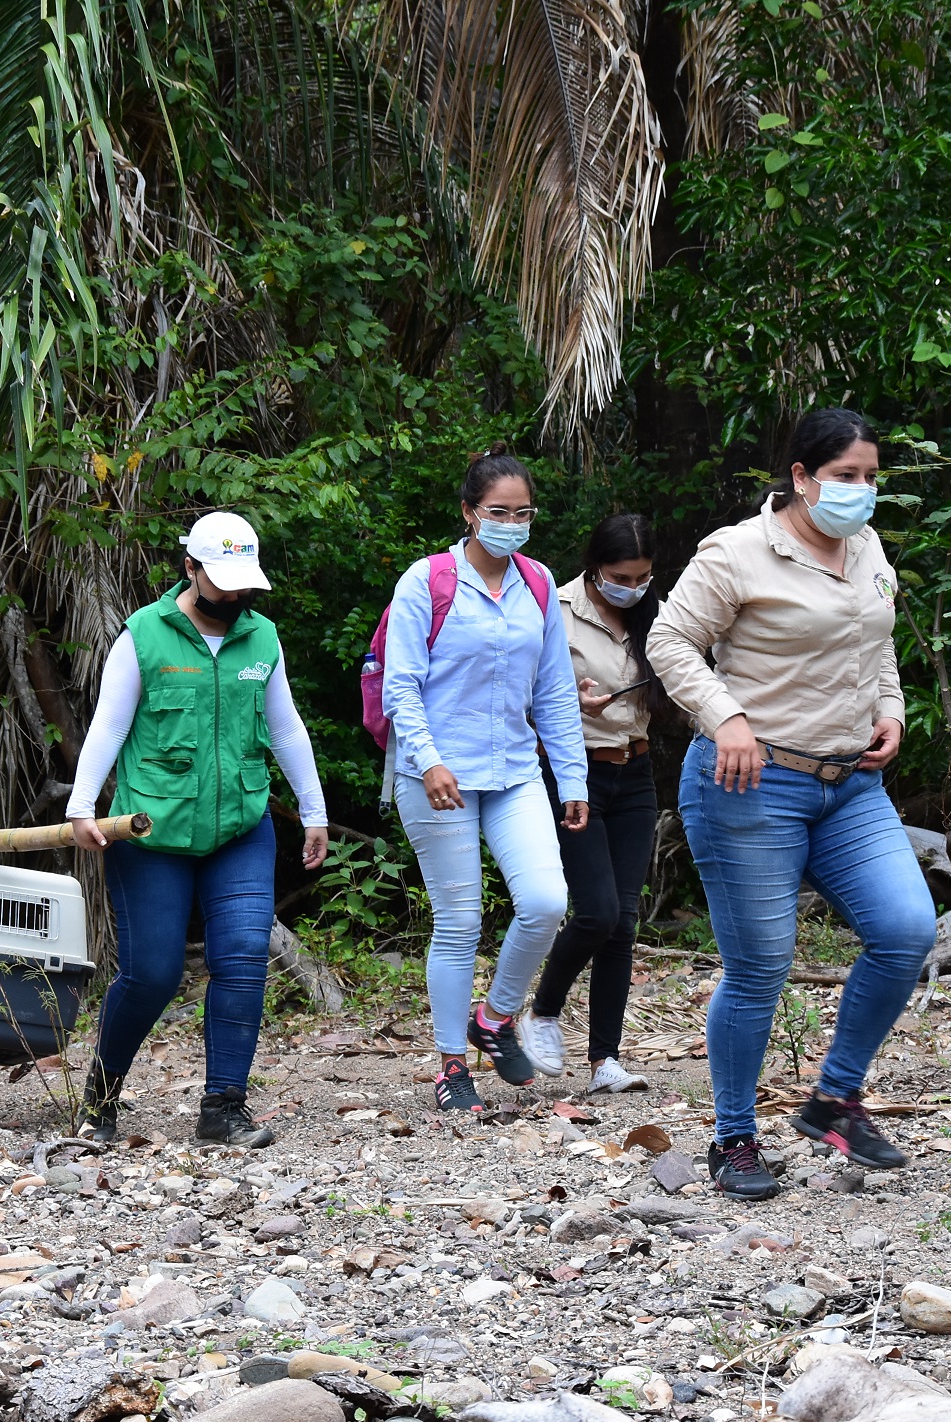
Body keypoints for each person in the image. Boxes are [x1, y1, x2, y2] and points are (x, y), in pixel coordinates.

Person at [647, 408, 935, 1200]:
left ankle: (835, 1099)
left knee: (907, 929)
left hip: (850, 782)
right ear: (802, 478)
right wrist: (725, 718)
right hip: (750, 782)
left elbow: (876, 645)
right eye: (845, 477)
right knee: (761, 966)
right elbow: (669, 643)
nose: (861, 491)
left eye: (871, 477)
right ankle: (733, 1139)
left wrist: (893, 711)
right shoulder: (738, 551)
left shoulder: (867, 546)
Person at [68, 512, 330, 1148]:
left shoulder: (262, 639)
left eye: (246, 585)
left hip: (241, 827)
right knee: (151, 974)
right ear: (190, 568)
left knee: (242, 960)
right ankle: (99, 1101)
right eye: (224, 582)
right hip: (151, 834)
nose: (237, 597)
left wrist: (314, 808)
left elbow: (287, 727)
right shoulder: (142, 638)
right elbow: (109, 728)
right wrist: (81, 807)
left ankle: (224, 1108)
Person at [381, 450, 589, 1115]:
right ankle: (450, 1065)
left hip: (514, 771)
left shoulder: (538, 583)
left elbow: (555, 689)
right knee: (460, 920)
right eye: (497, 512)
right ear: (469, 513)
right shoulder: (427, 580)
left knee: (547, 902)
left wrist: (573, 776)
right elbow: (401, 686)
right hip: (436, 772)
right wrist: (430, 758)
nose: (510, 523)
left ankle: (494, 1019)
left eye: (522, 513)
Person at [526, 514, 664, 1094]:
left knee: (624, 922)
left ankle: (605, 1059)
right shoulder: (552, 610)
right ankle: (542, 1011)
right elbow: (521, 696)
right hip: (574, 773)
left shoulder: (656, 614)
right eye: (619, 576)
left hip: (637, 772)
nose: (630, 587)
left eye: (642, 577)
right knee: (596, 911)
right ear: (594, 568)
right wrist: (574, 702)